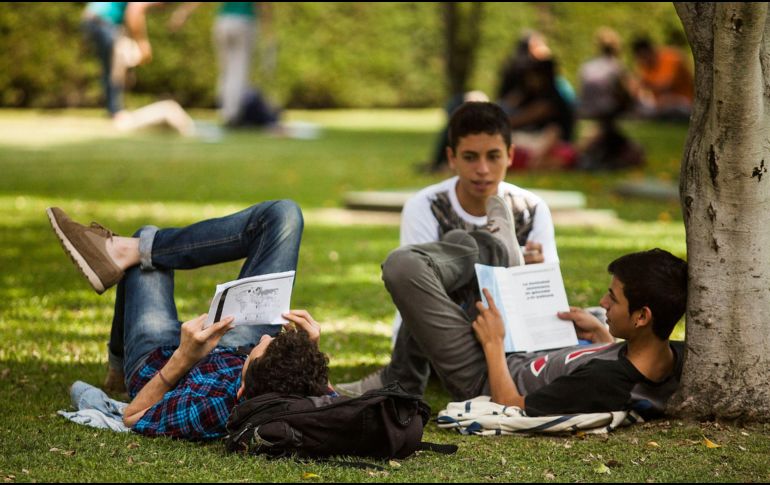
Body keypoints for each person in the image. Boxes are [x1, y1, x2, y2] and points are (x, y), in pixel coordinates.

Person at [337, 199, 688, 419]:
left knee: (405, 267)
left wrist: (493, 341)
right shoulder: (669, 354)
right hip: (534, 341)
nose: (603, 302)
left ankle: (493, 253)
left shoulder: (606, 382)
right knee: (467, 251)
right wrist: (599, 335)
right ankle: (494, 254)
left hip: (487, 373)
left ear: (642, 316)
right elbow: (626, 361)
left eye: (613, 298)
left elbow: (508, 403)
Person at [46, 201, 331, 440]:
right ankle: (129, 249)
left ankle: (119, 365)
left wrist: (183, 356)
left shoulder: (211, 408)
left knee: (144, 240)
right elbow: (326, 397)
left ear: (243, 388)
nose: (268, 336)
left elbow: (132, 417)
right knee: (283, 214)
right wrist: (309, 352)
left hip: (160, 360)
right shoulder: (298, 391)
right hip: (231, 345)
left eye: (263, 346)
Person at [392, 102, 558, 345]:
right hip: (438, 335)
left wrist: (534, 270)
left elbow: (546, 298)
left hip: (511, 330)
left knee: (591, 319)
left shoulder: (530, 209)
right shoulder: (427, 206)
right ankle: (500, 258)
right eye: (470, 157)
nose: (482, 169)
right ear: (452, 157)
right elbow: (420, 293)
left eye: (493, 156)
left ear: (510, 155)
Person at [170, 2, 279, 128]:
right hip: (244, 21)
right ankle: (232, 115)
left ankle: (225, 111)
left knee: (225, 72)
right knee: (238, 72)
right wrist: (268, 27)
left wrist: (182, 12)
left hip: (223, 22)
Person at [576, 27, 645, 170]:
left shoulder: (586, 67)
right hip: (608, 111)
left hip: (585, 110)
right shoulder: (616, 68)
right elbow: (627, 94)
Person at [81, 2, 160, 117]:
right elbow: (135, 10)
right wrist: (142, 43)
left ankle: (113, 109)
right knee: (116, 67)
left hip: (92, 20)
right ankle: (116, 111)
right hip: (103, 22)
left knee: (109, 67)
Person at [630, 37, 694, 121]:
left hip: (684, 101)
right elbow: (636, 89)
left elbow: (666, 86)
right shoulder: (645, 65)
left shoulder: (671, 57)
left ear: (649, 51)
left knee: (665, 101)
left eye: (643, 56)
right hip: (661, 103)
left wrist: (645, 84)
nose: (642, 61)